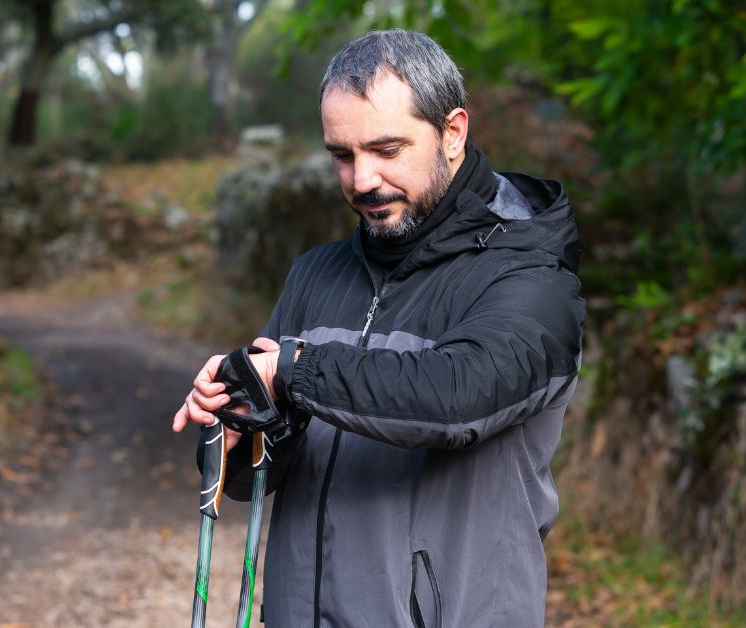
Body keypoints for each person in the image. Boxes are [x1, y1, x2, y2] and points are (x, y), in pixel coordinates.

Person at [172, 29, 585, 627]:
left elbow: (453, 398)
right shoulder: (314, 275)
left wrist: (292, 369)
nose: (361, 180)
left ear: (453, 133)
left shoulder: (532, 277)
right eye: (342, 155)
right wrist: (242, 430)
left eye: (387, 150)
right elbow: (259, 478)